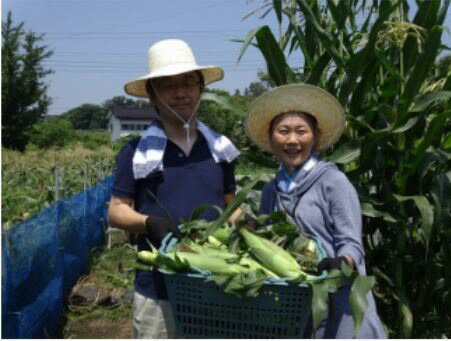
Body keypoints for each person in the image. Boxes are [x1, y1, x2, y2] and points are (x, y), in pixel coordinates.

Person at [108, 39, 240, 338]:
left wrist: (246, 222)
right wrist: (149, 223)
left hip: (214, 284)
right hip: (158, 289)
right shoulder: (136, 152)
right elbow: (116, 211)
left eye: (188, 83)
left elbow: (231, 205)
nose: (180, 93)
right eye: (167, 86)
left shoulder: (219, 148)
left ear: (200, 90)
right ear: (153, 97)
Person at [244, 83, 386, 339]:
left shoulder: (333, 183)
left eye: (301, 131)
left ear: (316, 137)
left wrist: (341, 263)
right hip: (297, 305)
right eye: (283, 131)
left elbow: (352, 244)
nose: (292, 140)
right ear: (271, 137)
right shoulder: (271, 191)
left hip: (342, 303)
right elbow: (269, 241)